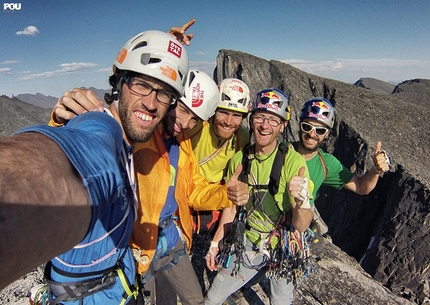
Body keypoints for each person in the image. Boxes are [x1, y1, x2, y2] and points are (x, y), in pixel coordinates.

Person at [0, 29, 189, 305]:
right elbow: (83, 160)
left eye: (164, 94)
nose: (151, 102)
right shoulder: (101, 129)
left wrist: (171, 44)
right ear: (119, 83)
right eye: (140, 84)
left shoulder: (133, 143)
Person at [48, 69, 250, 305]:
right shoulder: (139, 135)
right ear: (169, 99)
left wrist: (225, 194)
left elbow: (193, 189)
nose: (185, 123)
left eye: (194, 119)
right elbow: (97, 138)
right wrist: (62, 120)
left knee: (195, 300)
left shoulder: (182, 142)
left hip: (171, 237)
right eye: (183, 111)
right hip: (138, 245)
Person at [204, 88, 314, 305]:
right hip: (247, 241)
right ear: (252, 120)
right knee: (211, 299)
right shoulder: (239, 161)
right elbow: (232, 208)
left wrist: (302, 201)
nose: (265, 126)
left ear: (282, 126)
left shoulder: (293, 163)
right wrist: (215, 243)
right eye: (261, 118)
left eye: (274, 120)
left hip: (282, 246)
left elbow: (301, 227)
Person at [187, 78, 251, 293]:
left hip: (216, 203)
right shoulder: (194, 128)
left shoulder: (242, 138)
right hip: (188, 199)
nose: (229, 121)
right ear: (213, 110)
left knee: (209, 255)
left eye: (237, 115)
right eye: (223, 112)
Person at [294, 97, 391, 233]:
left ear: (327, 134)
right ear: (299, 125)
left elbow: (361, 187)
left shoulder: (326, 163)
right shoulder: (281, 151)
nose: (312, 134)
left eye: (320, 130)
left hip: (296, 233)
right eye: (307, 127)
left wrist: (376, 170)